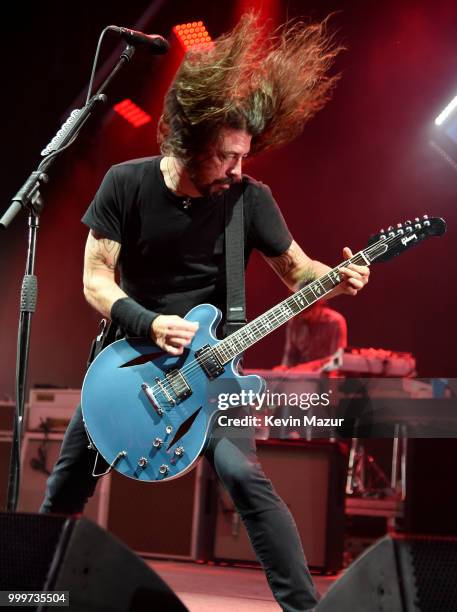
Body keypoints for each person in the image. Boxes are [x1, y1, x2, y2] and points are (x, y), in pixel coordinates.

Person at [40, 15, 370, 611]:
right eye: (224, 158)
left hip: (216, 373)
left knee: (246, 479)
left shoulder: (250, 199)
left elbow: (298, 271)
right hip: (127, 365)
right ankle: (29, 597)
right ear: (185, 144)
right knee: (65, 486)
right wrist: (148, 322)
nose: (237, 170)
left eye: (243, 156)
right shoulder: (126, 184)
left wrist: (339, 278)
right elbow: (94, 278)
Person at [281, 300, 348, 368]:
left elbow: (337, 360)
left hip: (326, 374)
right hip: (302, 373)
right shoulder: (294, 320)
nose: (304, 316)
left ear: (319, 304)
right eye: (299, 312)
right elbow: (290, 356)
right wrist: (283, 370)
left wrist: (308, 367)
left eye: (308, 310)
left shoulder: (335, 321)